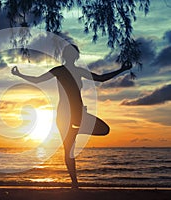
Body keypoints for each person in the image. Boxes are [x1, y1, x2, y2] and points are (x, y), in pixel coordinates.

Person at [11, 44, 133, 188]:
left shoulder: (78, 71)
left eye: (73, 53)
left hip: (79, 114)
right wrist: (20, 74)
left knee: (104, 129)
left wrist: (122, 70)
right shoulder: (59, 70)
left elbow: (101, 79)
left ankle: (76, 130)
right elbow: (37, 80)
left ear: (76, 56)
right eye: (69, 53)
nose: (71, 56)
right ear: (67, 56)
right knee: (69, 151)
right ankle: (74, 184)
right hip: (64, 115)